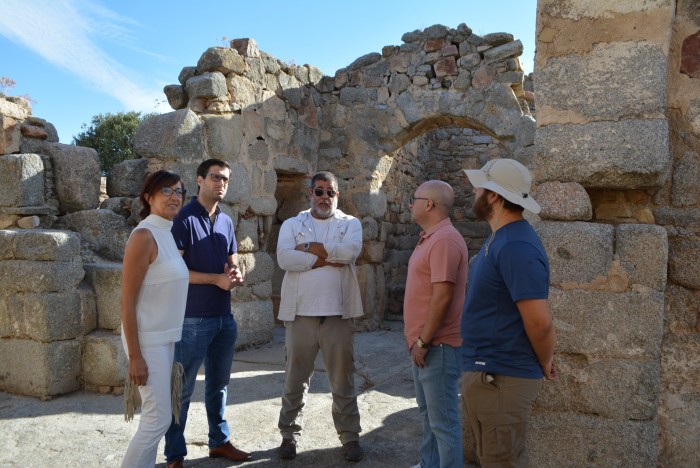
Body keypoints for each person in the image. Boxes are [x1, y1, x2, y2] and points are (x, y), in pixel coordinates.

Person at [460, 158, 557, 467]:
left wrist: (545, 360)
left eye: (480, 186)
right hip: (490, 376)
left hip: (501, 379)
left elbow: (539, 323)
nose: (474, 191)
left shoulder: (517, 246)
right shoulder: (501, 238)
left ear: (494, 196)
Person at [164, 159, 250, 467]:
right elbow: (174, 270)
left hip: (223, 318)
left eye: (225, 178)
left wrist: (235, 273)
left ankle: (219, 442)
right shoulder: (183, 218)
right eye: (215, 177)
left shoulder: (226, 220)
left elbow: (232, 260)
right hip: (192, 319)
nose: (221, 183)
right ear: (200, 180)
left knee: (219, 386)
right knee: (182, 389)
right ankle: (174, 454)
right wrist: (215, 279)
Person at [276, 171, 364, 462]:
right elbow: (284, 258)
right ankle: (289, 436)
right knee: (294, 379)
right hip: (301, 314)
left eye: (330, 192)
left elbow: (350, 253)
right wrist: (325, 258)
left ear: (337, 195)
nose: (324, 197)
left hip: (338, 314)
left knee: (343, 380)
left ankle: (350, 437)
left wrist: (309, 250)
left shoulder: (351, 224)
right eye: (319, 191)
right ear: (310, 193)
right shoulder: (292, 224)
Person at [121, 170, 189, 468]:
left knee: (157, 419)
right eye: (167, 190)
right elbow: (127, 299)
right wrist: (135, 355)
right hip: (147, 341)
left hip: (165, 338)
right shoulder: (144, 236)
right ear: (148, 197)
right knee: (157, 420)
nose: (175, 196)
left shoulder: (167, 233)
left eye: (179, 191)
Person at [404, 180, 469, 468]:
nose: (410, 204)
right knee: (429, 415)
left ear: (429, 204)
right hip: (427, 346)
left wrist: (423, 341)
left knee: (443, 423)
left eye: (415, 198)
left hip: (436, 347)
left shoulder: (444, 240)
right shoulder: (432, 237)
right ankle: (428, 464)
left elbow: (442, 298)